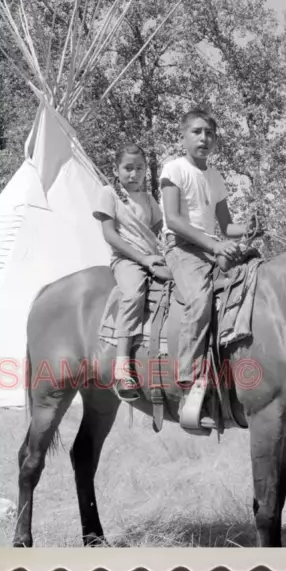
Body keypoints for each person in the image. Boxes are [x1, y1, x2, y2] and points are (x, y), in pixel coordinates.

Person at [160, 108, 260, 427]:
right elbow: (174, 221)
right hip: (181, 247)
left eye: (210, 133)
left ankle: (231, 375)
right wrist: (215, 245)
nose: (204, 138)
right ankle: (188, 383)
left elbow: (226, 225)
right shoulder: (174, 169)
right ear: (184, 136)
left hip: (207, 248)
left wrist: (248, 227)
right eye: (197, 132)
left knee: (252, 275)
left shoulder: (214, 177)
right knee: (199, 300)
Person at [93, 142, 171, 402]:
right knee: (134, 293)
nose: (133, 174)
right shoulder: (109, 194)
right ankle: (122, 367)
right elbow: (109, 234)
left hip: (153, 257)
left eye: (139, 168)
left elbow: (162, 230)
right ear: (116, 170)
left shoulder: (148, 199)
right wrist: (142, 258)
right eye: (127, 168)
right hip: (127, 260)